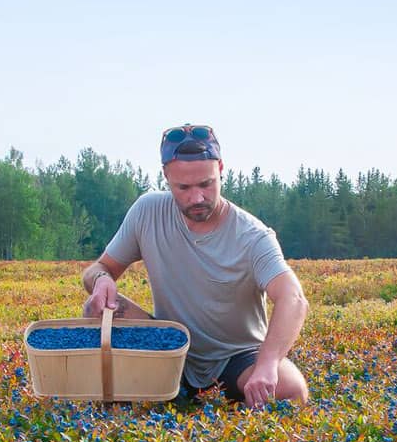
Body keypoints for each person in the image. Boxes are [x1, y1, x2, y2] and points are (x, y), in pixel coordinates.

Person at [80, 124, 310, 408]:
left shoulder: (253, 236)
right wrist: (102, 279)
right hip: (170, 344)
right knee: (95, 309)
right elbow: (97, 269)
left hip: (235, 357)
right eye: (184, 188)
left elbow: (294, 298)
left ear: (221, 169)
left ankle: (164, 394)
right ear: (166, 176)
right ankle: (132, 398)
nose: (197, 198)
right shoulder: (147, 211)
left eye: (206, 184)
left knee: (291, 391)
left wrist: (268, 365)